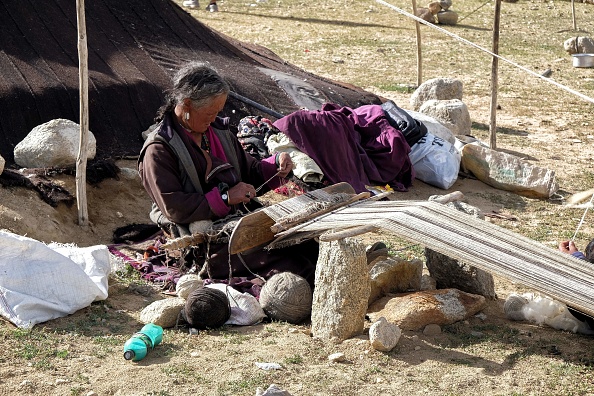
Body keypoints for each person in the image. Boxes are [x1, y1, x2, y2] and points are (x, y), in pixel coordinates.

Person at [138, 61, 318, 286]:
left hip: (238, 220)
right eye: (209, 113)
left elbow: (249, 169)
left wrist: (275, 166)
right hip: (204, 239)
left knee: (306, 245)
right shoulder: (159, 150)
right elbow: (174, 207)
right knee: (287, 264)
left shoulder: (218, 132)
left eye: (217, 112)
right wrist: (225, 198)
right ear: (186, 105)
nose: (214, 118)